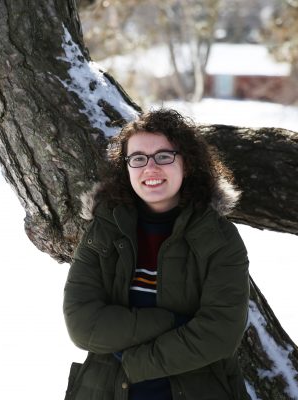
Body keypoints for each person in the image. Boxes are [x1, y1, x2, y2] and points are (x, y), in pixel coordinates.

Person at [63, 109, 250, 400]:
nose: (150, 168)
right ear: (126, 167)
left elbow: (220, 332)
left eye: (164, 156)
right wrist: (174, 322)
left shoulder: (219, 238)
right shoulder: (104, 229)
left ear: (186, 163)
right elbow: (83, 325)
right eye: (138, 158)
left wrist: (135, 363)